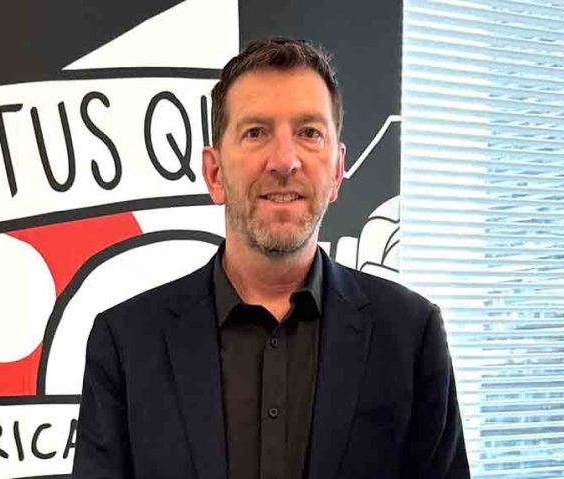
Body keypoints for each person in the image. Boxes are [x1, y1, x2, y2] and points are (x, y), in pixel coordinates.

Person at [72, 37, 469, 479]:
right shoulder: (126, 342)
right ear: (215, 173)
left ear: (338, 172)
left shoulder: (410, 335)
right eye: (256, 132)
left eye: (309, 132)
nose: (284, 160)